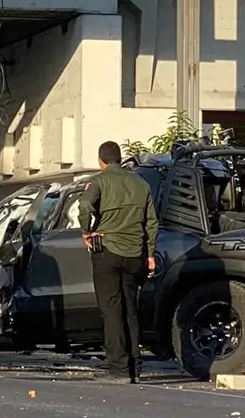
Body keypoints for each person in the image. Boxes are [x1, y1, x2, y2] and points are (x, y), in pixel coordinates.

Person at [78, 141, 159, 384]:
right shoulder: (141, 184)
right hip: (135, 254)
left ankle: (119, 369)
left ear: (100, 160)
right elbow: (151, 223)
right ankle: (135, 367)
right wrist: (150, 254)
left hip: (107, 250)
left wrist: (86, 231)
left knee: (112, 310)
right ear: (121, 159)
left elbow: (84, 205)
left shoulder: (99, 181)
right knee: (130, 309)